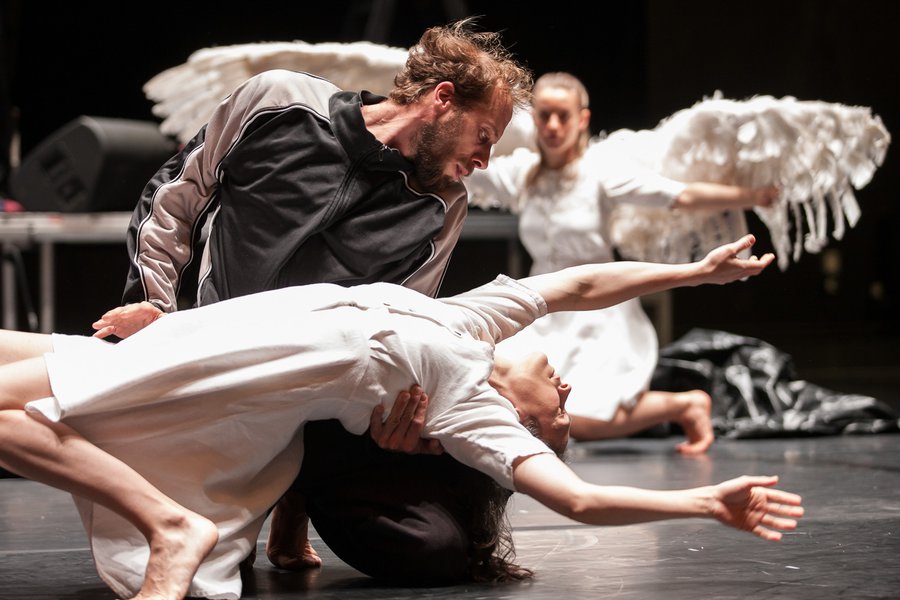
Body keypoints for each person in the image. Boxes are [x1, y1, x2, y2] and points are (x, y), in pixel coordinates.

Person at [0, 235, 803, 600]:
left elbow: (580, 501)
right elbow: (579, 285)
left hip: (218, 382)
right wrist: (693, 273)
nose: (565, 386)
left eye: (560, 412)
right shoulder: (473, 324)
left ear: (517, 426)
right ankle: (172, 522)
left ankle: (171, 527)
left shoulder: (467, 401)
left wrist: (704, 502)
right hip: (213, 338)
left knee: (13, 415)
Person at [89, 17, 533, 584]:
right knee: (200, 572)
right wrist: (156, 308)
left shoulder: (440, 206)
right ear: (443, 99)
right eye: (485, 137)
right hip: (212, 378)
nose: (485, 161)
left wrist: (391, 423)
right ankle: (259, 500)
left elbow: (396, 326)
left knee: (436, 551)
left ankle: (296, 499)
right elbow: (175, 199)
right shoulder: (280, 101)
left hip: (316, 406)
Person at [465, 71, 780, 454]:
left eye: (562, 115)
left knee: (586, 420)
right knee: (510, 395)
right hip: (543, 307)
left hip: (598, 306)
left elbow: (677, 195)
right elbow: (466, 174)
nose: (552, 125)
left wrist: (751, 196)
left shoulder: (598, 171)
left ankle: (686, 405)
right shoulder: (524, 173)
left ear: (582, 119)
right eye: (544, 114)